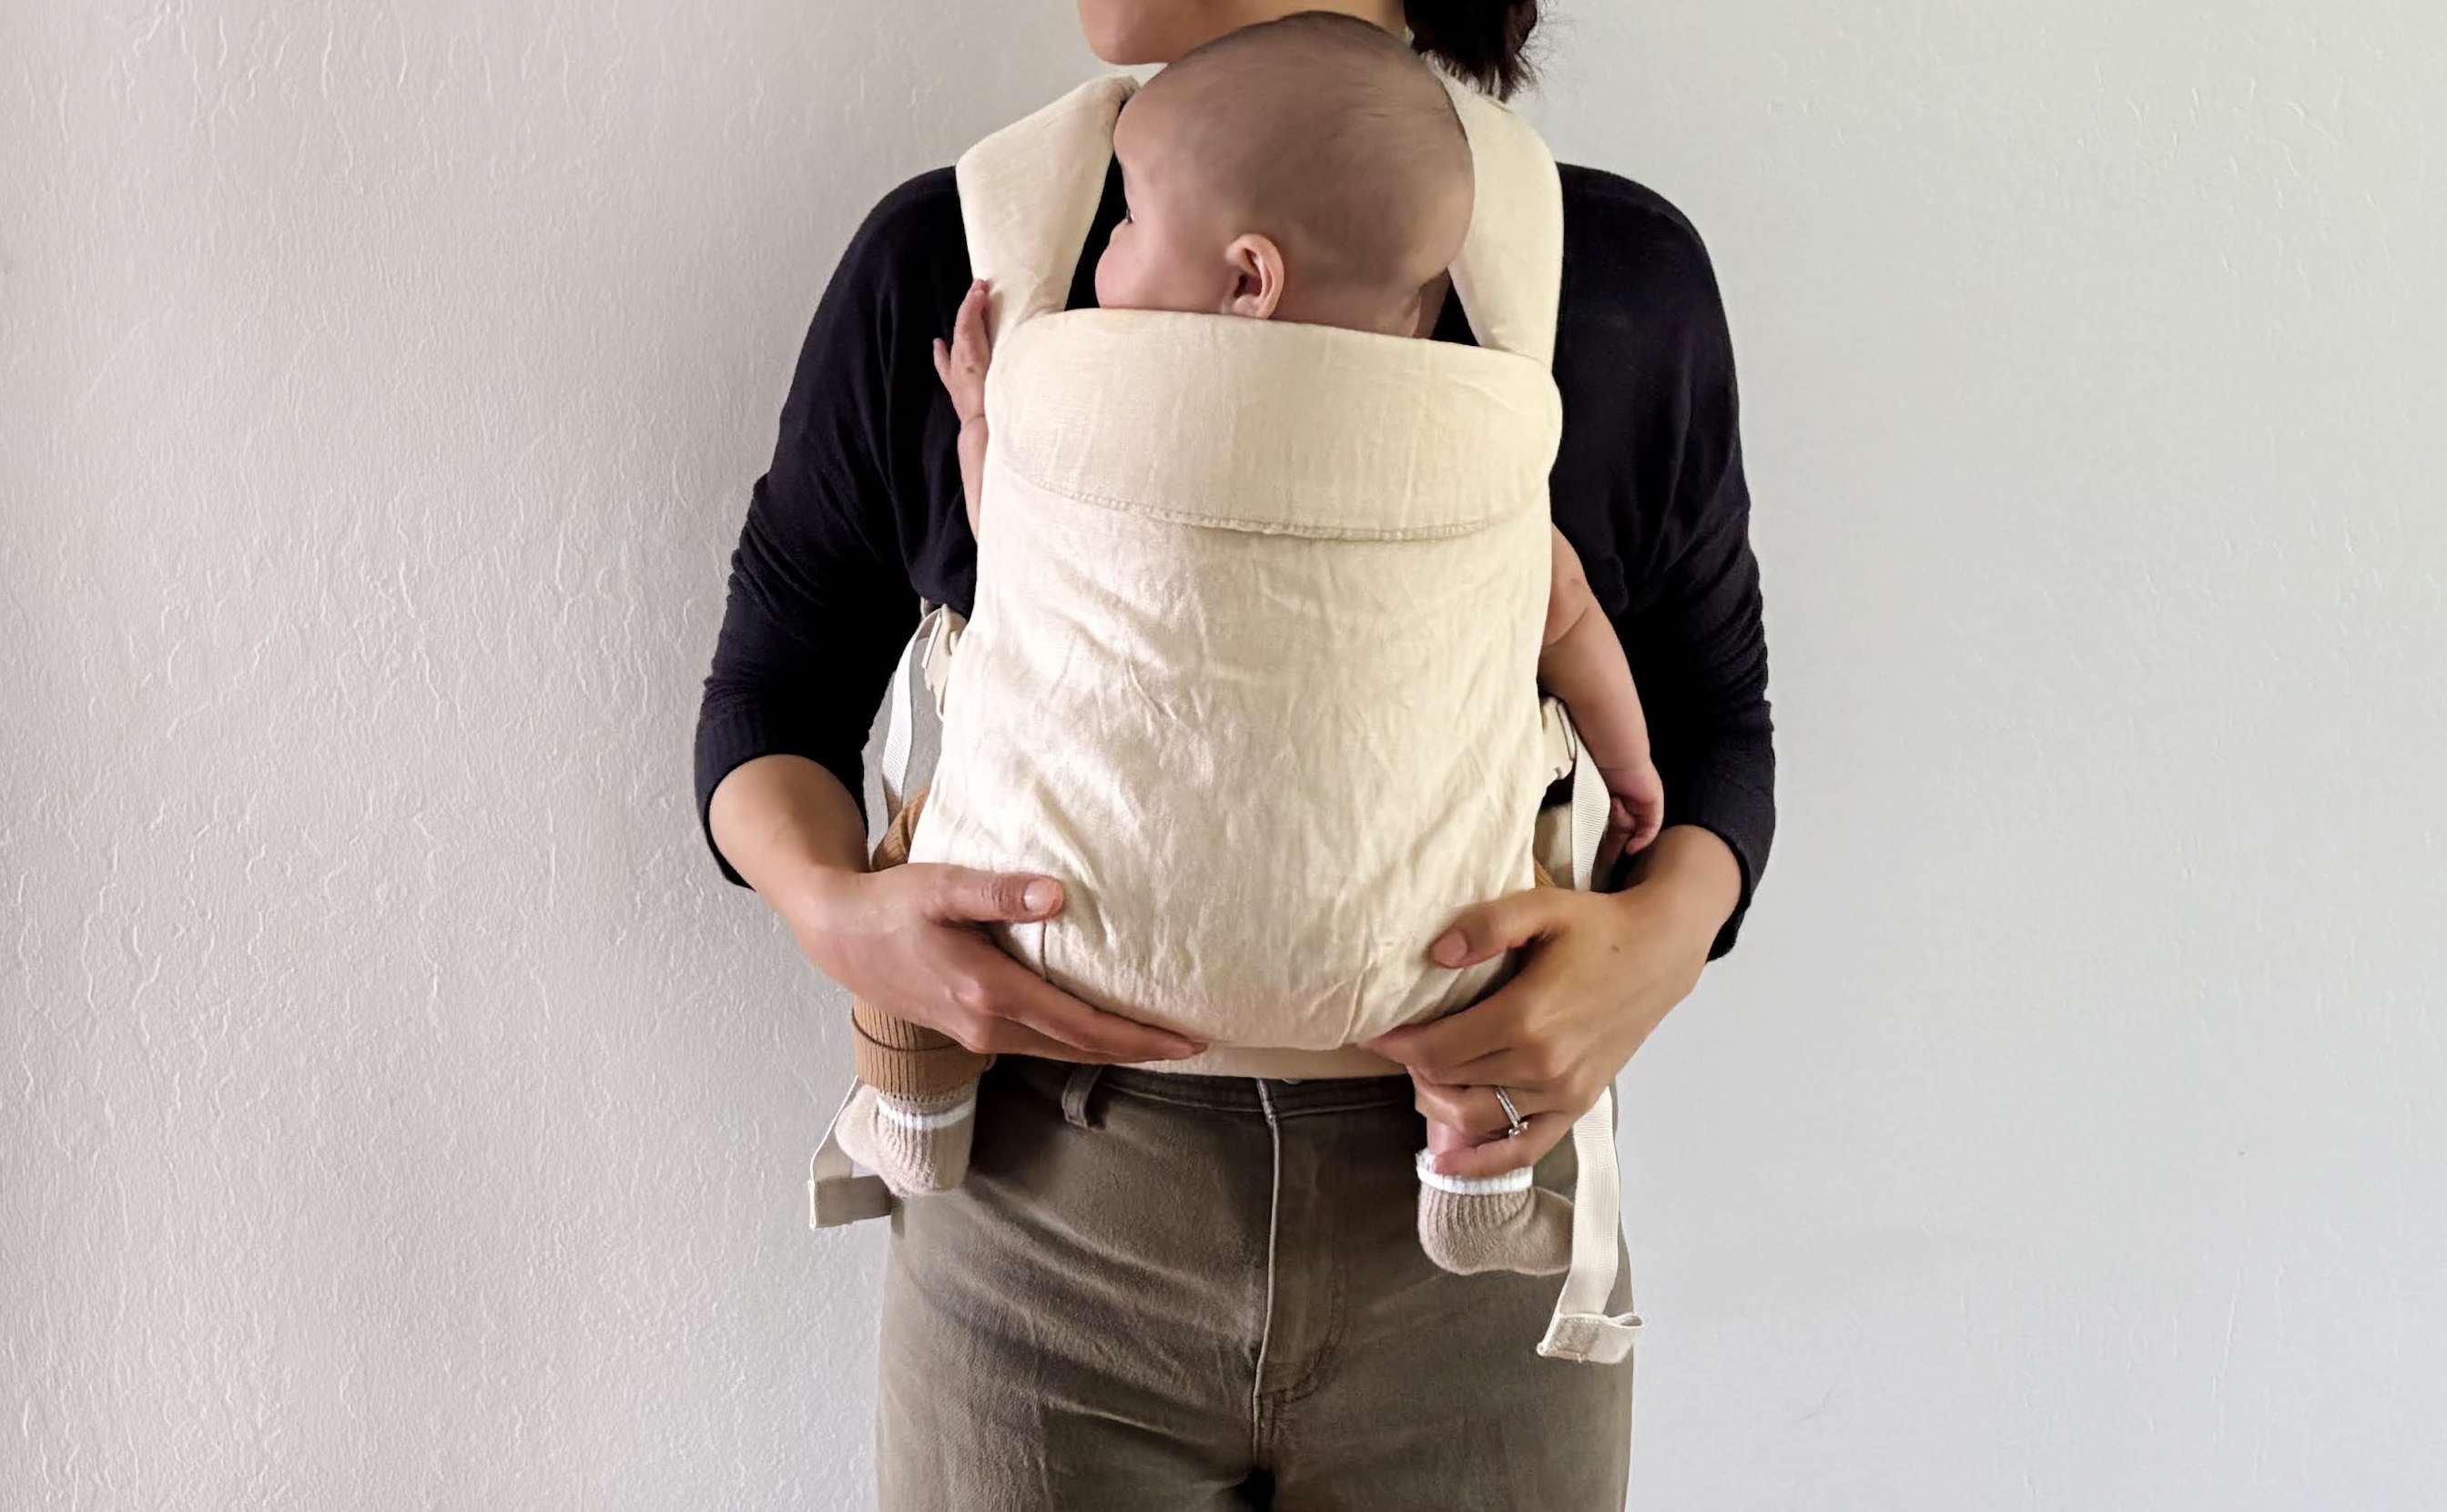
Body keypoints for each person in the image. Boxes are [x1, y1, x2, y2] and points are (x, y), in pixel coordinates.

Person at [696, 3, 1773, 1505]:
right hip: (1037, 1220)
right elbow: (771, 694)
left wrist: (1654, 945)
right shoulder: (965, 258)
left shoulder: (1609, 279)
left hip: (1467, 1213)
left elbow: (1714, 718)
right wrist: (839, 913)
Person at [832, 15, 1667, 1289]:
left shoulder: (1032, 336)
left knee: (932, 839)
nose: (1106, 249)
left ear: (1246, 277)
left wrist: (985, 422)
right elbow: (1568, 620)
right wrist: (1631, 767)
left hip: (1050, 950)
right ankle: (1474, 1165)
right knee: (1481, 998)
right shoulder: (1492, 421)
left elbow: (1014, 555)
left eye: (1124, 229)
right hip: (1420, 995)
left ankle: (913, 1102)